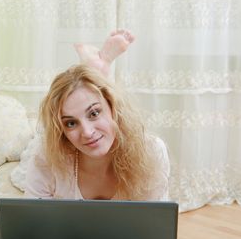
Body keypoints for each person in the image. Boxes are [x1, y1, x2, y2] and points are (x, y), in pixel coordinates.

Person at [23, 30, 170, 201]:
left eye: (94, 113)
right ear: (61, 130)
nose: (87, 132)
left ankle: (98, 65)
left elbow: (153, 221)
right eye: (71, 123)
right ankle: (97, 66)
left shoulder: (150, 151)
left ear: (113, 106)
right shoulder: (47, 154)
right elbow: (34, 217)